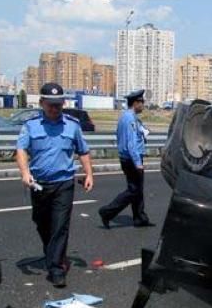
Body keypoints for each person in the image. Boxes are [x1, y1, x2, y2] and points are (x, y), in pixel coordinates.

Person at [15, 82, 94, 288]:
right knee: (42, 223)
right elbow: (21, 150)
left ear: (63, 103)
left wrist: (89, 174)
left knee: (60, 226)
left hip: (64, 184)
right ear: (41, 103)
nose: (54, 108)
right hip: (39, 184)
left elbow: (83, 151)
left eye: (58, 104)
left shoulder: (72, 125)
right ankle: (54, 255)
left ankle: (57, 269)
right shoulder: (31, 125)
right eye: (50, 104)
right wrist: (25, 173)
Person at [98, 89, 153, 228]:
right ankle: (107, 212)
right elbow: (131, 143)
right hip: (131, 159)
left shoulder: (128, 117)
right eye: (142, 102)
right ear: (135, 103)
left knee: (137, 190)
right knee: (134, 190)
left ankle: (140, 218)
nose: (143, 105)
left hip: (128, 158)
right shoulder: (129, 119)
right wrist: (137, 163)